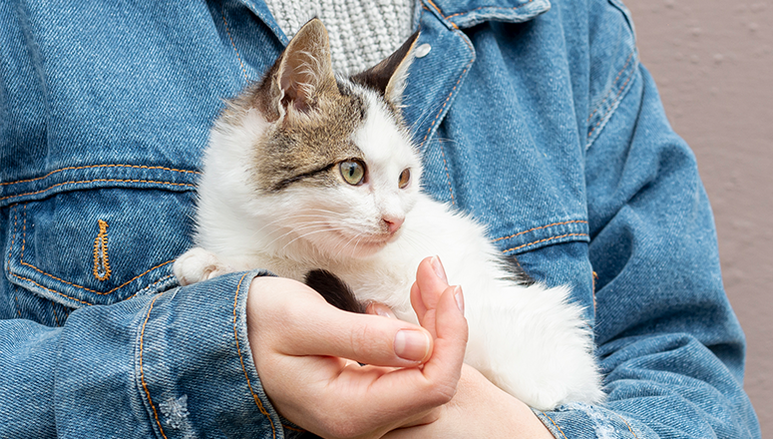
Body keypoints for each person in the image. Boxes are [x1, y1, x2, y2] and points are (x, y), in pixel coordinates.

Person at [0, 0, 761, 437]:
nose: (392, 215)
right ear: (287, 105)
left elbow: (691, 375)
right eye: (360, 175)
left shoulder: (570, 27)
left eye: (402, 178)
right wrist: (191, 355)